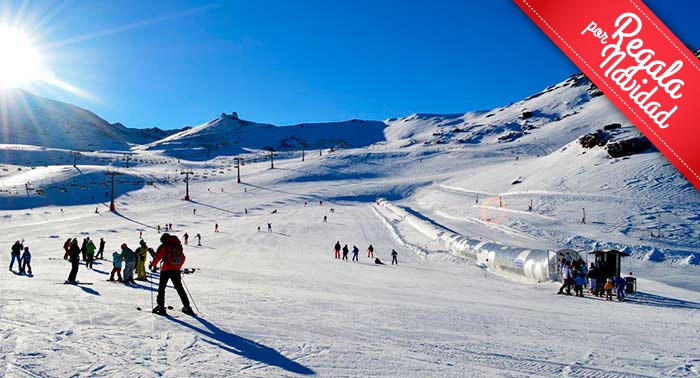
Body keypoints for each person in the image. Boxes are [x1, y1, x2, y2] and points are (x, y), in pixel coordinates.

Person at [150, 233, 194, 316]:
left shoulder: (165, 246)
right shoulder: (178, 245)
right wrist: (177, 266)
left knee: (161, 288)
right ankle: (187, 306)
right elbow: (183, 257)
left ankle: (161, 306)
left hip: (166, 270)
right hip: (176, 270)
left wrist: (152, 265)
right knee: (180, 288)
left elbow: (158, 257)